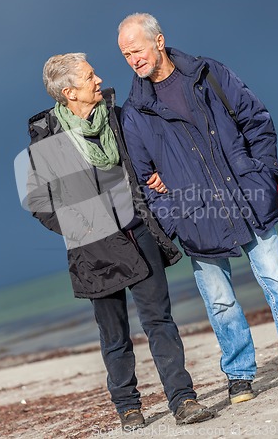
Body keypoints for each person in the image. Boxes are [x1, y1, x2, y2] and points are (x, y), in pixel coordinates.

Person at [117, 13, 278, 404]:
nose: (133, 59)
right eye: (125, 54)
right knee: (220, 300)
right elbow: (144, 180)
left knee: (277, 280)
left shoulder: (208, 72)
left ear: (159, 41)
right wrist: (176, 218)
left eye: (136, 49)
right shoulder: (135, 112)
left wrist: (264, 175)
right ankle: (239, 374)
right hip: (196, 217)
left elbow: (257, 120)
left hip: (248, 197)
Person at [24, 52, 214, 430]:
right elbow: (38, 202)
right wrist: (83, 226)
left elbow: (148, 156)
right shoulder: (47, 137)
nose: (98, 80)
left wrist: (157, 177)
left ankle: (183, 399)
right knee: (114, 335)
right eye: (89, 76)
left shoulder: (118, 115)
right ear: (69, 92)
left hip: (137, 232)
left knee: (160, 321)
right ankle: (128, 406)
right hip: (92, 249)